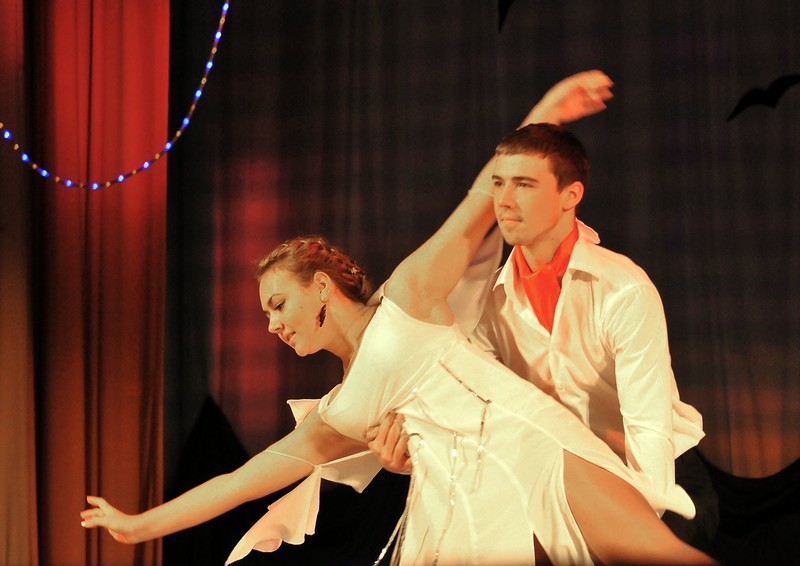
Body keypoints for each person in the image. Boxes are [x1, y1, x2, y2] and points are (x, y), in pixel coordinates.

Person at [80, 73, 716, 565]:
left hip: (537, 450)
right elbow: (239, 482)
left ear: (321, 286)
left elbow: (482, 198)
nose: (272, 325)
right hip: (462, 506)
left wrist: (548, 109)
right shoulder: (339, 414)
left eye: (278, 304)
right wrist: (140, 524)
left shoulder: (409, 296)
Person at [369, 77, 719, 552]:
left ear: (570, 195)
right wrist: (415, 452)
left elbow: (648, 431)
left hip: (657, 477)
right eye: (498, 184)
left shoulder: (622, 289)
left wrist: (637, 529)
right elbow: (475, 413)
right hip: (559, 475)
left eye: (525, 185)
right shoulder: (487, 301)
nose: (504, 201)